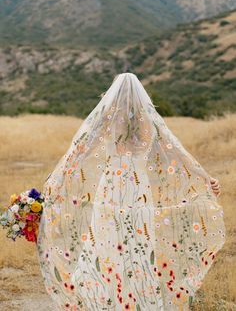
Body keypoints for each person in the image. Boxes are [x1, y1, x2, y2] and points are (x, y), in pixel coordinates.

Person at [37, 72, 225, 310]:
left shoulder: (107, 120)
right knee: (138, 240)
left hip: (111, 187)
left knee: (106, 239)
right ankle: (136, 296)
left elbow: (79, 150)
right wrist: (206, 178)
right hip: (137, 189)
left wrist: (57, 177)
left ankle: (104, 295)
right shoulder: (150, 121)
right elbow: (178, 152)